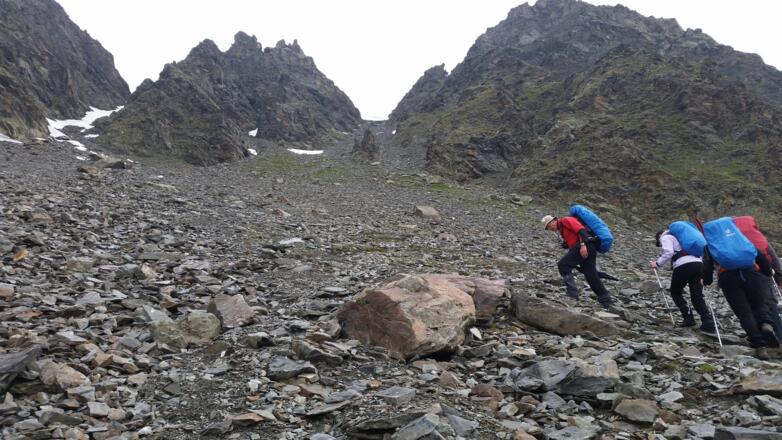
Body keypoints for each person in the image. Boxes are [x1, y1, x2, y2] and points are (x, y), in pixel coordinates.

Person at [702, 246, 780, 359]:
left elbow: (707, 265)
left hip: (728, 277)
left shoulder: (711, 244)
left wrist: (706, 280)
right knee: (759, 304)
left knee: (744, 312)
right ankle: (765, 323)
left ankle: (760, 346)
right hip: (751, 273)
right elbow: (759, 255)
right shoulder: (740, 238)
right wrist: (767, 271)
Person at [541, 214, 617, 311]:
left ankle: (572, 295)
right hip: (589, 247)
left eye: (548, 226)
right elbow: (574, 236)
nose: (549, 229)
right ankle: (607, 301)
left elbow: (581, 230)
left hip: (585, 246)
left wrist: (583, 245)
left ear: (553, 221)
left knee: (563, 265)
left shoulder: (566, 220)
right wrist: (566, 244)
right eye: (547, 228)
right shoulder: (562, 229)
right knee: (591, 275)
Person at [651, 230, 716, 334]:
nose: (661, 245)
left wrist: (657, 263)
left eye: (659, 244)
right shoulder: (684, 237)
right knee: (697, 295)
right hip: (698, 264)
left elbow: (669, 252)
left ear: (659, 237)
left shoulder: (665, 237)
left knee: (675, 292)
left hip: (683, 265)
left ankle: (688, 318)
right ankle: (707, 321)